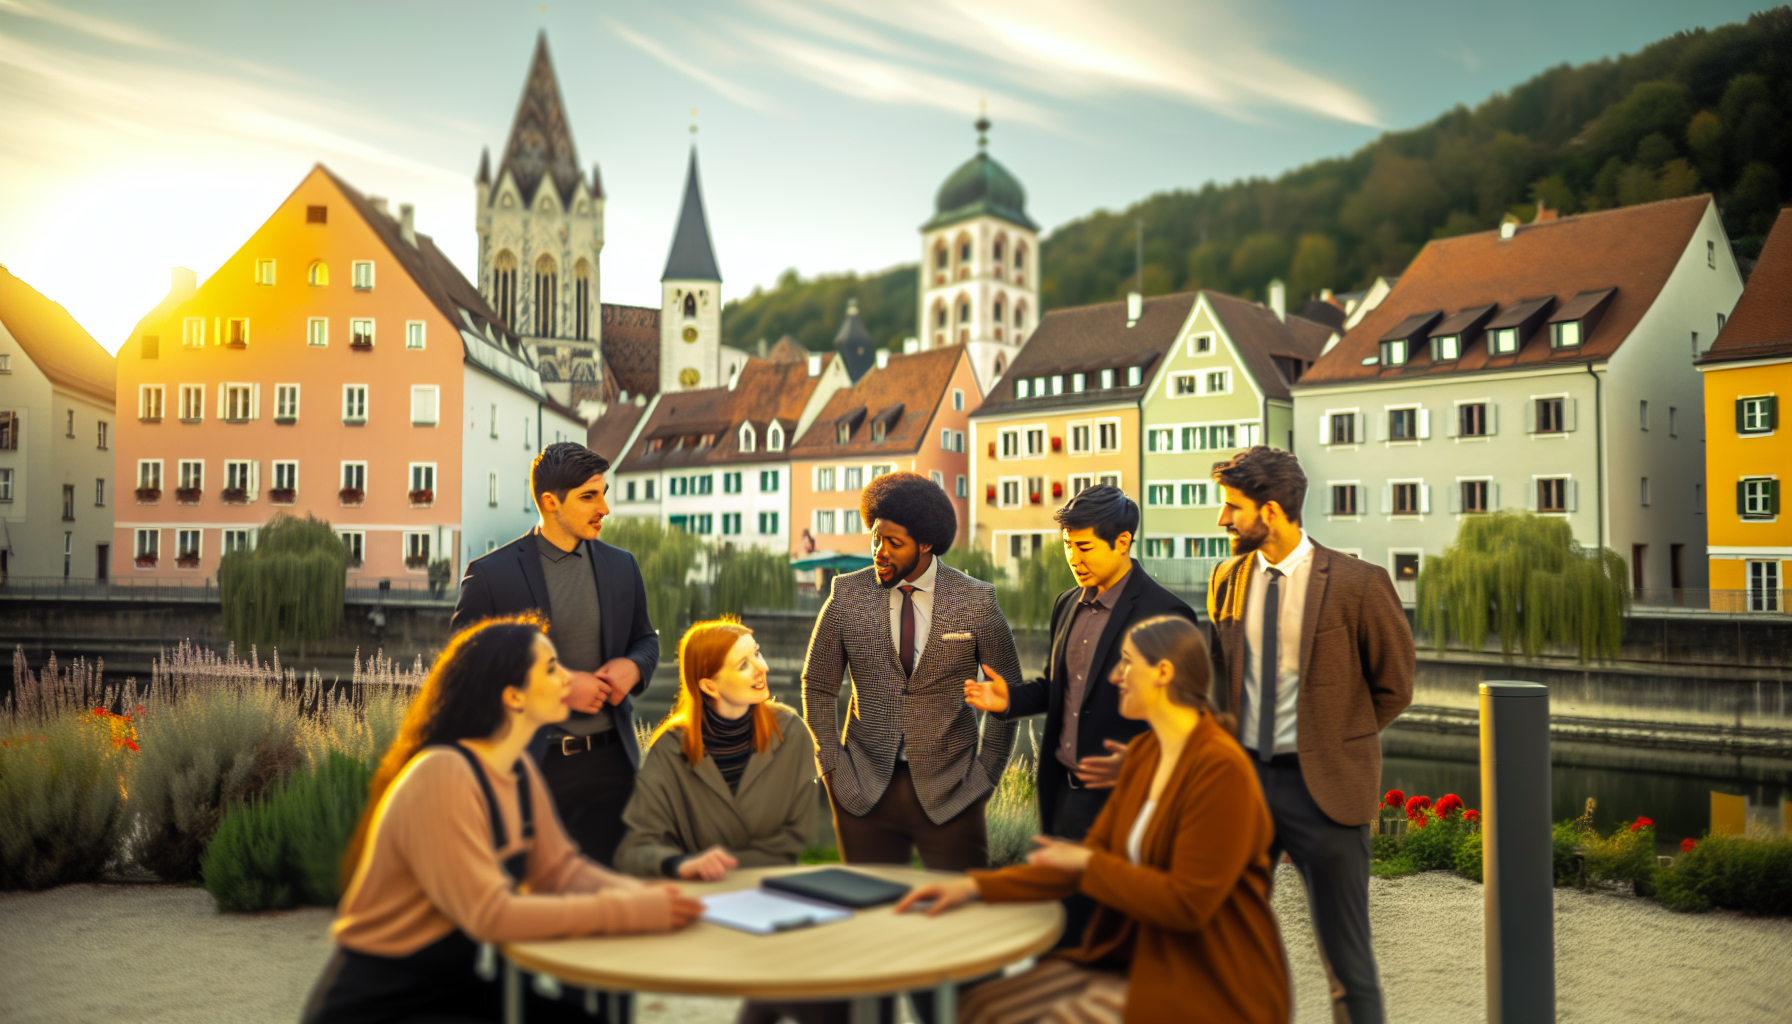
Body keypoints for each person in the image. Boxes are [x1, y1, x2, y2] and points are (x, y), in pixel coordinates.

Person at [303, 614, 702, 1024]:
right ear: (513, 697)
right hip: (386, 999)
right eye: (551, 668)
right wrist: (627, 912)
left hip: (457, 982)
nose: (568, 678)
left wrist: (651, 899)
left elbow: (561, 871)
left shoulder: (518, 772)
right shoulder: (441, 774)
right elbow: (491, 914)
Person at [898, 615, 1289, 1024]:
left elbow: (1186, 904)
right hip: (1142, 958)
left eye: (1126, 662)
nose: (1117, 676)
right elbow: (1082, 859)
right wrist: (973, 887)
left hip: (1212, 980)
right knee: (978, 1004)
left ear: (1163, 672)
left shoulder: (1221, 770)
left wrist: (1087, 864)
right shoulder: (1143, 756)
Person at [802, 470, 1019, 1024]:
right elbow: (818, 685)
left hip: (951, 794)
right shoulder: (845, 596)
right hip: (863, 792)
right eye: (874, 536)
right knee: (872, 936)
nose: (878, 549)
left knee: (964, 939)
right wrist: (832, 765)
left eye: (892, 541)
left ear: (925, 543)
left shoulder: (977, 602)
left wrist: (986, 776)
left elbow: (1006, 696)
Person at [1208, 446, 1414, 1024]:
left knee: (1348, 964)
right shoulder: (1226, 578)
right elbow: (1223, 679)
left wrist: (1334, 740)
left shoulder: (1360, 584)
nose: (1222, 519)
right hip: (1245, 789)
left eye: (1232, 507)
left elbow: (1394, 687)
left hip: (1327, 794)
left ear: (1270, 511)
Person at [963, 485, 1197, 947]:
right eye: (1068, 546)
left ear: (1123, 542)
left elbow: (1183, 725)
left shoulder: (1167, 614)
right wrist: (1007, 699)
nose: (1074, 557)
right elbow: (1058, 687)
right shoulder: (1066, 604)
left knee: (1125, 934)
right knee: (1066, 929)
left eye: (1084, 546)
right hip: (1063, 794)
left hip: (1125, 801)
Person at [616, 618, 845, 1024]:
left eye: (757, 653)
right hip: (700, 907)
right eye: (743, 664)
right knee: (823, 997)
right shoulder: (671, 748)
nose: (763, 668)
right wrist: (678, 863)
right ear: (708, 685)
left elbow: (793, 838)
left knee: (836, 990)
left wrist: (733, 870)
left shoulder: (791, 732)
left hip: (774, 902)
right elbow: (636, 849)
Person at [451, 441, 659, 868]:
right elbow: (463, 675)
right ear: (550, 501)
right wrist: (562, 691)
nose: (604, 508)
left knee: (609, 907)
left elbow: (646, 640)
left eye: (604, 493)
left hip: (613, 768)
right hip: (531, 769)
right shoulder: (491, 576)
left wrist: (633, 668)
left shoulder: (624, 566)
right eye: (589, 496)